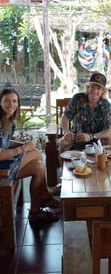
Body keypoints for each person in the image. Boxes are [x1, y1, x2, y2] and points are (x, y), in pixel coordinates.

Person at [0, 88, 60, 223]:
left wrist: (20, 144)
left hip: (5, 164)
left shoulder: (7, 120)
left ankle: (35, 210)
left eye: (14, 101)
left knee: (39, 167)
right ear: (0, 102)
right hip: (1, 170)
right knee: (36, 153)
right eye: (7, 101)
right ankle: (45, 196)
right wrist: (23, 148)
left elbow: (5, 142)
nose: (11, 104)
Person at [59, 72, 111, 153]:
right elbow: (65, 116)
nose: (94, 91)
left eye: (98, 88)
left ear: (103, 91)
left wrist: (91, 136)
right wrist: (66, 132)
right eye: (92, 87)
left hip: (97, 140)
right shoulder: (78, 99)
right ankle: (63, 166)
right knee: (63, 142)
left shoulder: (106, 105)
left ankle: (107, 164)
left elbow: (110, 131)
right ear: (88, 87)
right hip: (76, 138)